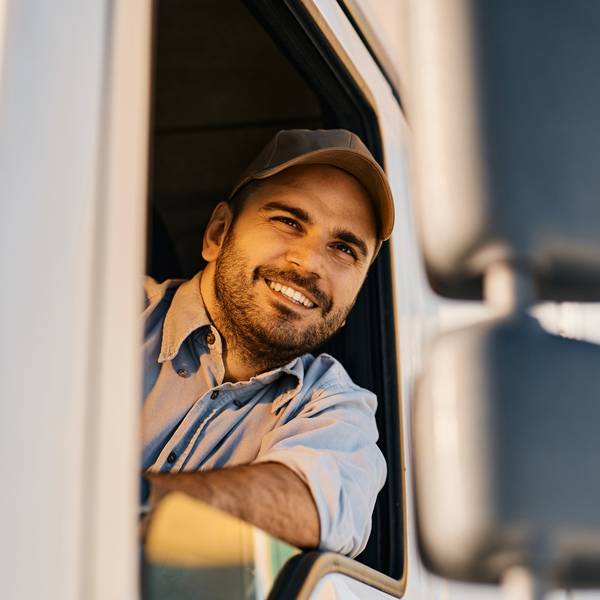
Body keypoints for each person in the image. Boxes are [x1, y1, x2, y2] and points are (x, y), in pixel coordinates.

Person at [142, 129, 394, 558]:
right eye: (289, 221)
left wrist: (109, 509)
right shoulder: (101, 309)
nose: (310, 262)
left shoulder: (334, 408)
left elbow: (314, 504)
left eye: (344, 249)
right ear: (218, 234)